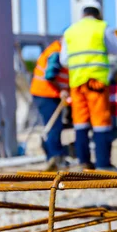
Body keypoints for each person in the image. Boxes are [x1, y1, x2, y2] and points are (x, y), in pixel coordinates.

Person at [60, 1, 117, 170]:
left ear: (82, 15)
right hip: (96, 83)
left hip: (77, 83)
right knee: (101, 122)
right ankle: (103, 163)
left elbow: (63, 60)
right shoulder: (102, 28)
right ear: (98, 14)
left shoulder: (70, 31)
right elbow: (116, 48)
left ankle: (84, 163)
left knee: (80, 123)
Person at [30, 39, 69, 170]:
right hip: (46, 94)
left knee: (52, 126)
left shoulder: (55, 49)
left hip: (45, 93)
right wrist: (61, 90)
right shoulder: (56, 52)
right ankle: (55, 157)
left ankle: (54, 156)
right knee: (54, 126)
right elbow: (50, 75)